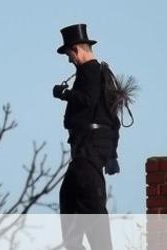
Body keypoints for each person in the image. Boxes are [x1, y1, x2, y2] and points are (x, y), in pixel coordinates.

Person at [53, 23, 120, 250]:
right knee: (70, 200)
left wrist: (65, 94)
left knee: (92, 216)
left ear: (75, 50)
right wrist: (112, 154)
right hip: (85, 158)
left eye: (69, 55)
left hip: (87, 158)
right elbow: (113, 120)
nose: (69, 60)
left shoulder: (90, 71)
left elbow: (87, 99)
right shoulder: (98, 74)